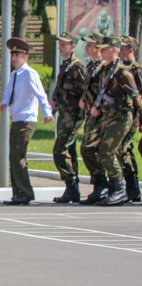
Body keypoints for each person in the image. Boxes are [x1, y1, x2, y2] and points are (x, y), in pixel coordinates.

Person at [87, 36, 141, 206]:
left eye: (104, 49)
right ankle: (113, 188)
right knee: (103, 151)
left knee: (108, 151)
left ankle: (119, 189)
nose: (101, 51)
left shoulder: (123, 72)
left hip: (121, 117)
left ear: (114, 50)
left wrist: (139, 119)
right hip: (107, 116)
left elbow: (136, 97)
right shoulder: (106, 70)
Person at [1, 38, 53, 205]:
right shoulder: (14, 75)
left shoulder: (30, 74)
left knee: (18, 155)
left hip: (27, 119)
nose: (14, 58)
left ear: (26, 57)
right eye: (12, 55)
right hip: (16, 119)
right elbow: (8, 93)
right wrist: (5, 103)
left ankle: (26, 192)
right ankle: (18, 192)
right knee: (13, 156)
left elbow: (41, 95)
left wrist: (47, 112)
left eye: (17, 55)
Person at [50, 32, 87, 203]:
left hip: (73, 114)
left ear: (72, 46)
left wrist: (82, 105)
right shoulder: (66, 65)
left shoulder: (77, 66)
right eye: (59, 44)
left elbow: (86, 89)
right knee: (69, 151)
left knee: (60, 150)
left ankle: (71, 183)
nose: (60, 47)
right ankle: (73, 189)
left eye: (63, 44)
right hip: (64, 113)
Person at [79, 34, 109, 203]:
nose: (86, 48)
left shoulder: (104, 67)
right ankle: (100, 184)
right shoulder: (91, 66)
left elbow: (106, 90)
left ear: (98, 48)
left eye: (90, 45)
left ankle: (103, 184)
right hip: (91, 115)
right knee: (88, 149)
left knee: (89, 149)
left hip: (101, 115)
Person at [117, 36, 142, 202]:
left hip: (133, 116)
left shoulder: (136, 69)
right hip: (123, 114)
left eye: (123, 48)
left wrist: (139, 118)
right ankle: (131, 188)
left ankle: (133, 187)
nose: (119, 51)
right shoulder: (121, 67)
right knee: (122, 149)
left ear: (130, 50)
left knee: (124, 148)